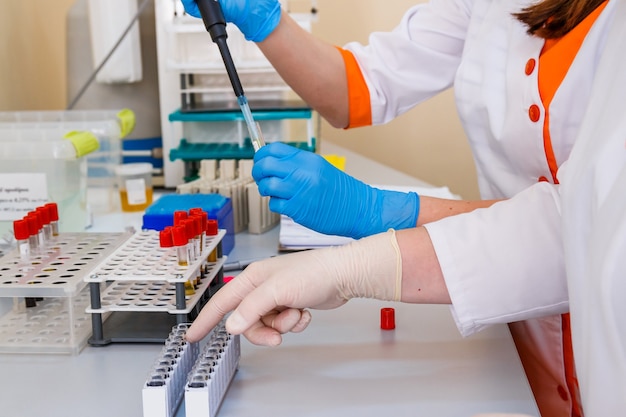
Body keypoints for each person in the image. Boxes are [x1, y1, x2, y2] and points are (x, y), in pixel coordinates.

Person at [184, 1, 626, 411]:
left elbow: (580, 226)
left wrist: (372, 225)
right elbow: (361, 85)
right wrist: (267, 21)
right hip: (510, 322)